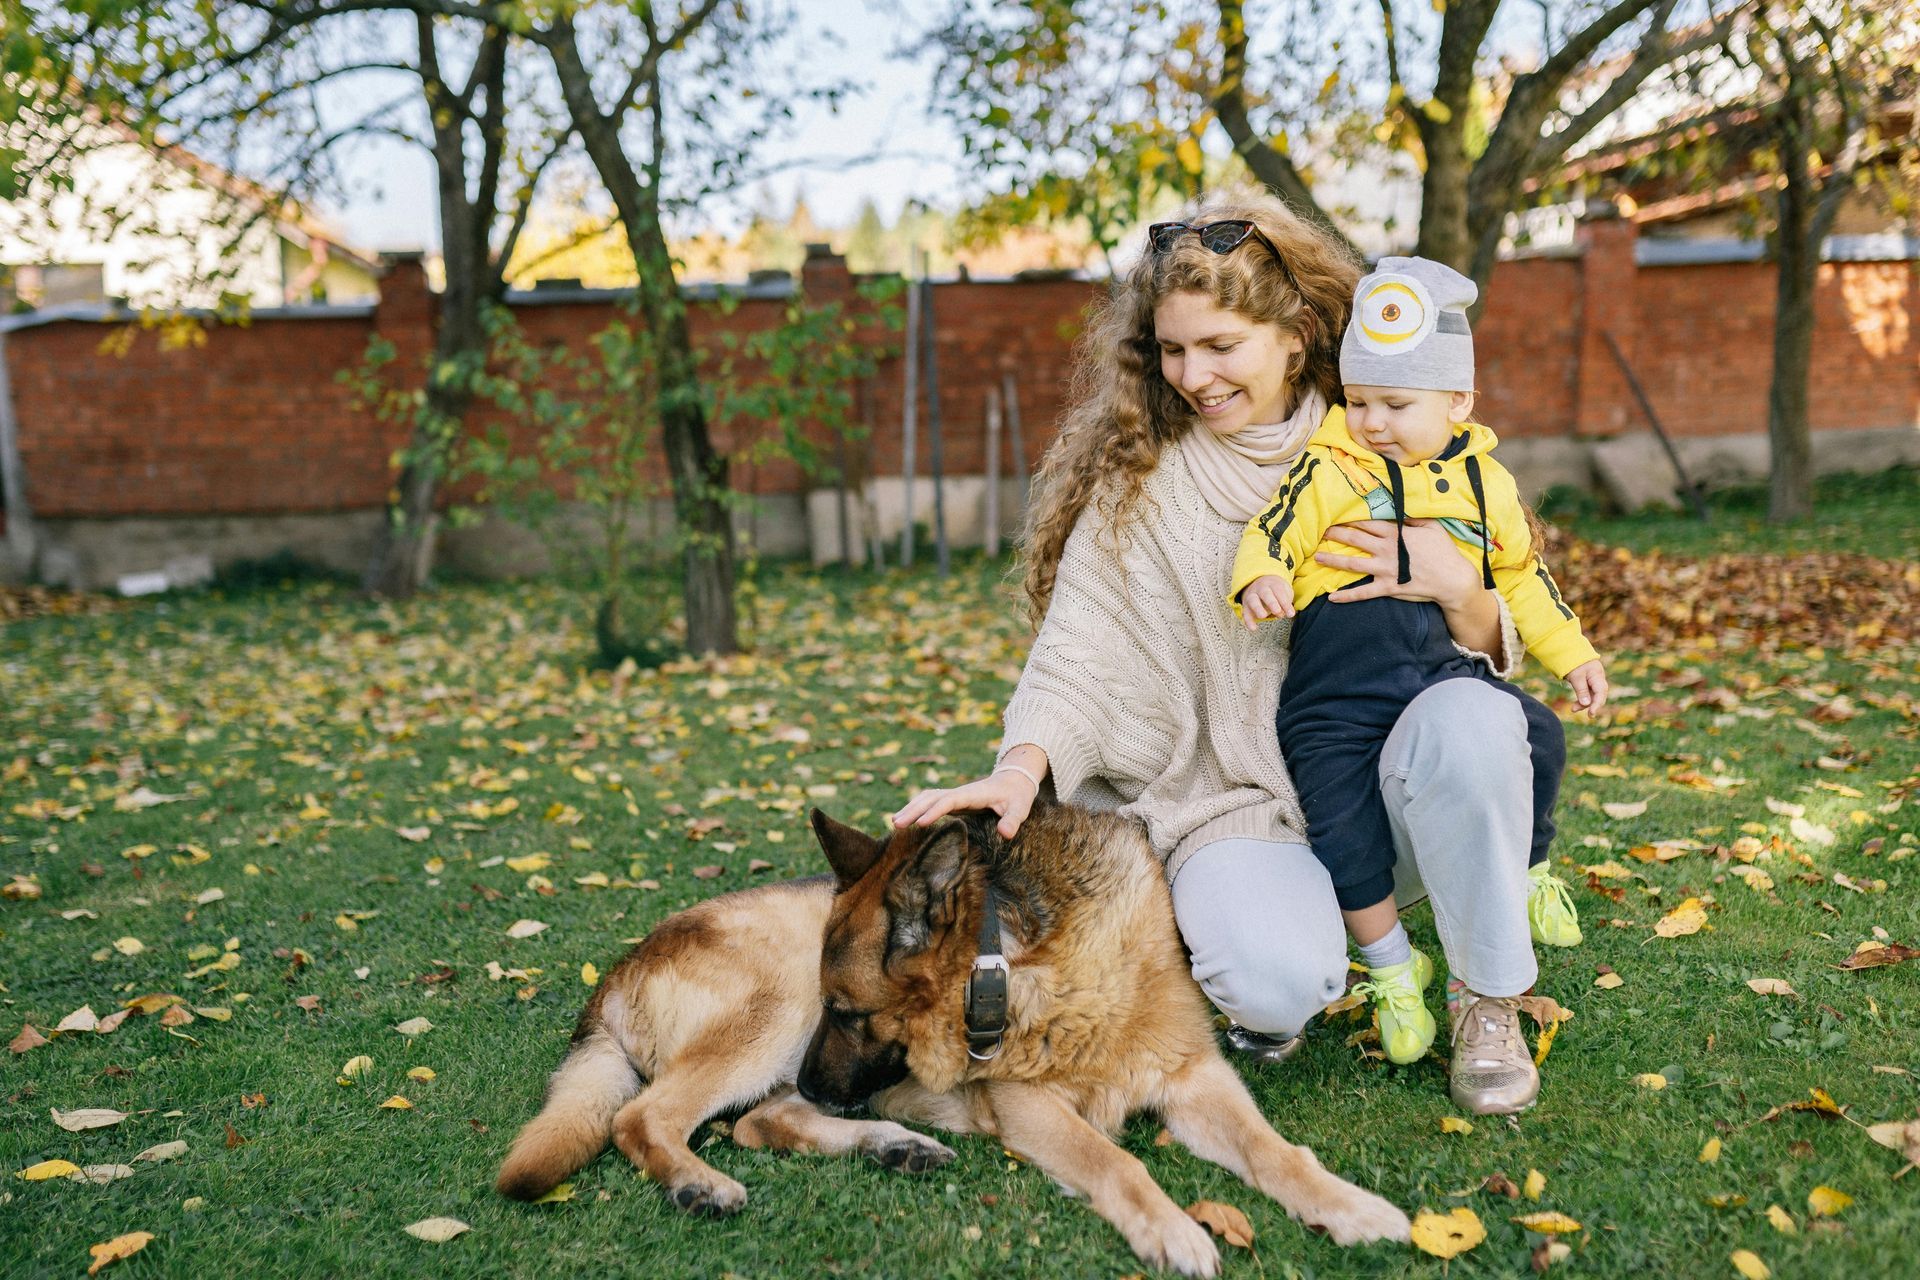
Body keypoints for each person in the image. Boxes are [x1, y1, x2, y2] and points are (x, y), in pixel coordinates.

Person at [893, 190, 1553, 1115]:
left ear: (1294, 337)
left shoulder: (1394, 436)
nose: (1192, 375)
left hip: (1380, 780)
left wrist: (1456, 584)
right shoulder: (1141, 489)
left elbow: (1499, 637)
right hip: (1235, 805)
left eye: (1219, 346)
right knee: (1279, 980)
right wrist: (1019, 769)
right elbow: (1077, 657)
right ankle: (1285, 938)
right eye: (1172, 349)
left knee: (1480, 720)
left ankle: (1487, 999)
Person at [1230, 256, 1607, 1070]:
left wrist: (1571, 652)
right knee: (1342, 822)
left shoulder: (1486, 485)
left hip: (1443, 674)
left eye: (1396, 404)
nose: (1372, 421)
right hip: (1339, 690)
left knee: (1535, 734)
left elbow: (1524, 578)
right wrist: (1261, 575)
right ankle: (1395, 969)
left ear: (1459, 402)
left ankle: (1531, 868)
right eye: (1358, 401)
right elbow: (1275, 529)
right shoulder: (1332, 465)